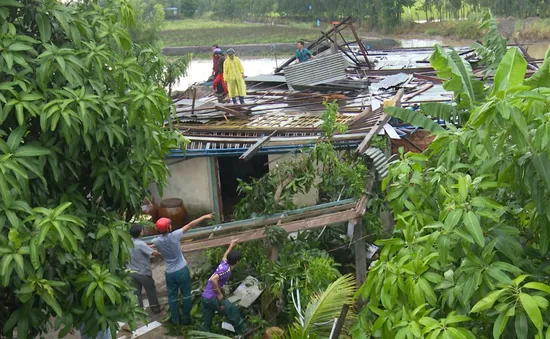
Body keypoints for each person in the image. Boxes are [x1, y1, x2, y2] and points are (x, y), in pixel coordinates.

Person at [153, 213, 214, 325]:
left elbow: (156, 251)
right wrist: (204, 216)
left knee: (172, 297)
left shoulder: (156, 241)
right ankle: (186, 319)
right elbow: (191, 224)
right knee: (186, 295)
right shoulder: (175, 235)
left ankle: (175, 320)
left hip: (169, 273)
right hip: (181, 270)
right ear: (168, 228)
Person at [200, 239, 247, 335]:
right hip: (212, 297)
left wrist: (231, 245)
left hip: (205, 297)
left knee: (207, 319)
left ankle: (204, 334)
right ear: (237, 262)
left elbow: (225, 254)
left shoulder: (224, 263)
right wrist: (219, 294)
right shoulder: (226, 270)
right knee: (231, 309)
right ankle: (244, 331)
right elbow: (214, 279)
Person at [128, 224, 162, 314]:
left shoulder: (129, 242)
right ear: (140, 233)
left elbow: (141, 247)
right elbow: (154, 254)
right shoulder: (141, 244)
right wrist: (162, 253)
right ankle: (155, 308)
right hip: (143, 273)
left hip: (132, 272)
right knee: (150, 290)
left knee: (136, 292)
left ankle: (139, 310)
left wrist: (148, 247)